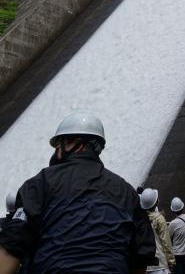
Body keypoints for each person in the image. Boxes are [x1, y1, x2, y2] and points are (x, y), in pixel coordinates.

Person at [0, 111, 156, 274]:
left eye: (59, 144)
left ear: (74, 142)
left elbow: (13, 244)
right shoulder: (126, 191)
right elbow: (142, 253)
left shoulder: (41, 182)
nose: (56, 151)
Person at [141, 188, 175, 274]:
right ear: (156, 202)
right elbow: (166, 241)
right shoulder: (159, 219)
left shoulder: (139, 219)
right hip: (160, 264)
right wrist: (171, 260)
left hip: (145, 265)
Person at [168, 197, 185, 274]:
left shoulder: (173, 223)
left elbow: (168, 237)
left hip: (177, 254)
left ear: (173, 211)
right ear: (183, 207)